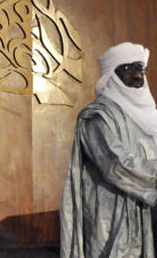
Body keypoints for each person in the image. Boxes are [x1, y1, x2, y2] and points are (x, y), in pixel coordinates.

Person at [60, 42, 157, 257]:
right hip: (113, 221)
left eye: (140, 68)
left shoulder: (150, 118)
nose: (137, 74)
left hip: (147, 215)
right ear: (112, 75)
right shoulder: (96, 117)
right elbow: (116, 165)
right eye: (128, 68)